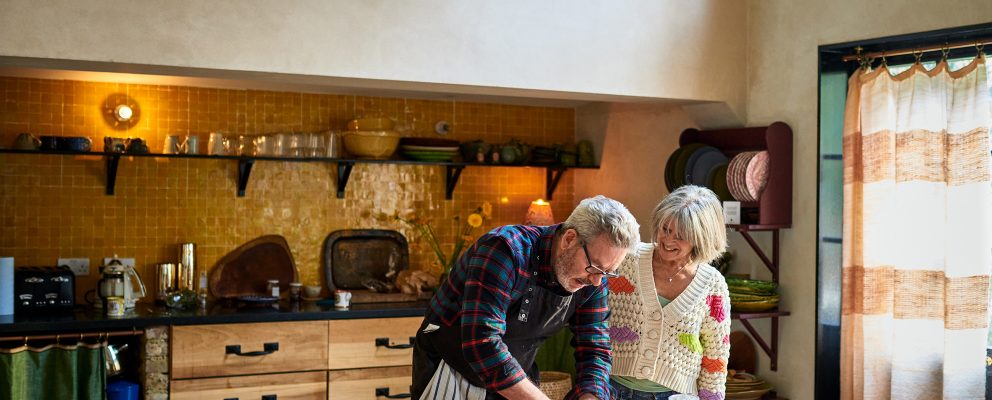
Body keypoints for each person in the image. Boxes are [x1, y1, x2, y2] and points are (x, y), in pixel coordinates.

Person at [411, 195, 641, 400]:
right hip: (452, 369)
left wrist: (591, 395)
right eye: (594, 267)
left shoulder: (594, 275)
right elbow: (483, 342)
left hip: (515, 375)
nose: (597, 281)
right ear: (569, 239)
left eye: (608, 272)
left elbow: (594, 348)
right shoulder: (504, 250)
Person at [606, 185, 731, 400]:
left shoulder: (712, 285)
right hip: (613, 389)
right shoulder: (626, 260)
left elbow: (716, 354)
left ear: (701, 238)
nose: (668, 240)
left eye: (681, 236)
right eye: (666, 229)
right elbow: (594, 319)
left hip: (675, 396)